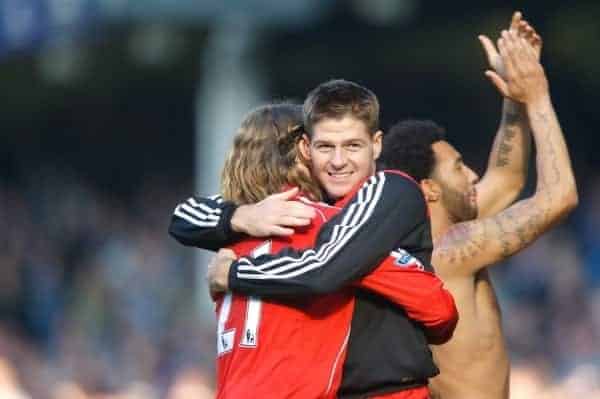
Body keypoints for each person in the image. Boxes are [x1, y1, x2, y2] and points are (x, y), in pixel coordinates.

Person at [172, 81, 458, 398]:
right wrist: (241, 217)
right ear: (303, 152)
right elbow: (440, 309)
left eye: (352, 146)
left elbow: (182, 216)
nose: (337, 161)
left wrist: (233, 267)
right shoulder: (313, 222)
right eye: (324, 147)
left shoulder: (233, 242)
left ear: (376, 144)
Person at [379, 27, 577, 399]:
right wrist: (537, 96)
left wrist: (514, 97)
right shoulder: (450, 252)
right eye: (457, 167)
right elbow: (560, 195)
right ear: (429, 189)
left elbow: (506, 178)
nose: (471, 173)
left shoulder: (428, 238)